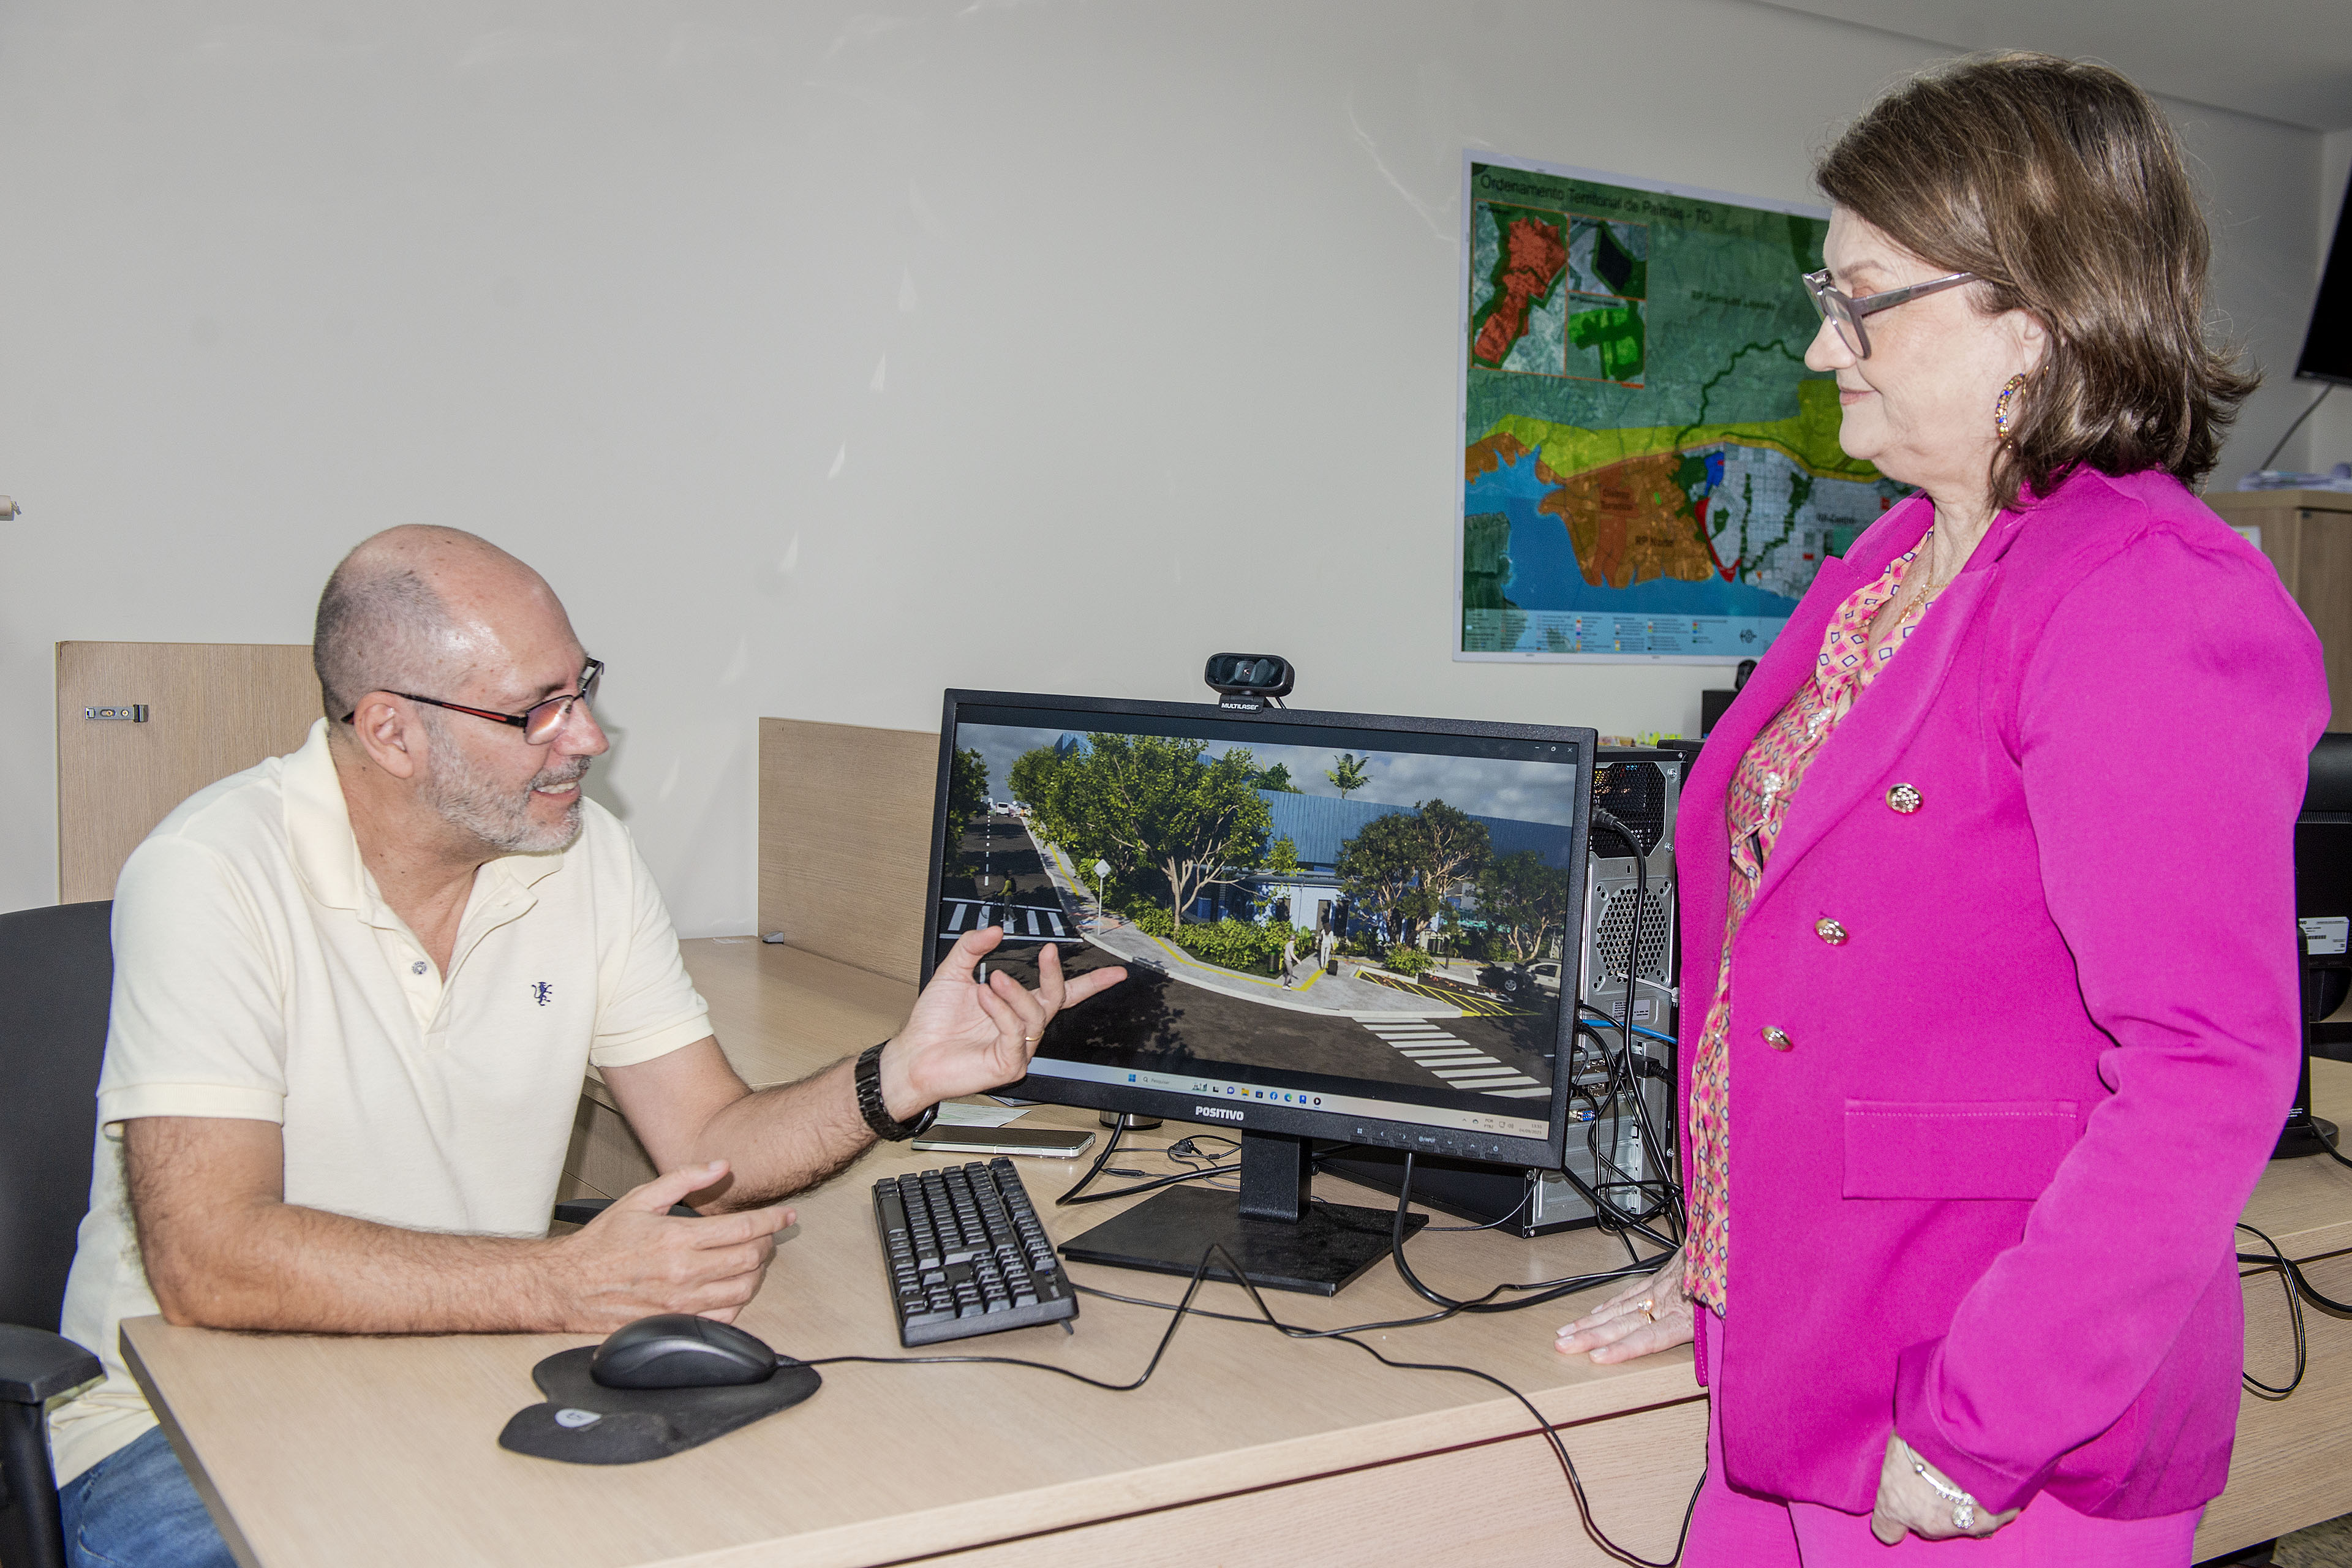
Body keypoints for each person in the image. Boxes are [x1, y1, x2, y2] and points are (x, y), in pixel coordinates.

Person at [1553, 54, 2324, 1566]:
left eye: (1862, 297)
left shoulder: (2143, 597)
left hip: (1986, 1420)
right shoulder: (1888, 567)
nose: (1823, 342)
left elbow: (2204, 1066)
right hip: (1803, 1356)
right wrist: (1722, 1257)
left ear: (2030, 313)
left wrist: (1989, 1419)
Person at [48, 526, 1126, 1568]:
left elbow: (708, 1143)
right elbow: (209, 1260)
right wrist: (563, 1284)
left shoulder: (585, 858)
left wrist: (896, 1077)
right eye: (536, 710)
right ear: (391, 731)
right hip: (174, 1428)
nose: (589, 738)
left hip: (457, 1376)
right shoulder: (212, 873)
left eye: (583, 686)